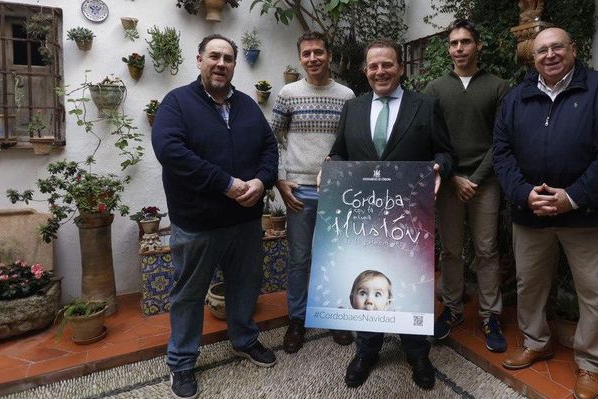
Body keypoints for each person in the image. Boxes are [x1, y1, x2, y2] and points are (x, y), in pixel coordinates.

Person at [492, 27, 598, 399]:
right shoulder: (515, 98)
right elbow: (502, 153)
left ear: (573, 50)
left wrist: (572, 197)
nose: (550, 55)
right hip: (532, 213)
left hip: (587, 214)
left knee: (596, 293)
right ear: (532, 58)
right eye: (542, 51)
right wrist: (524, 194)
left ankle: (590, 364)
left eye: (558, 48)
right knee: (531, 285)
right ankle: (537, 341)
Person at [152, 34, 279, 399]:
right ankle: (182, 362)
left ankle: (244, 339)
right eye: (214, 56)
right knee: (188, 295)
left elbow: (269, 147)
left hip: (245, 221)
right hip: (198, 224)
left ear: (234, 65)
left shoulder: (247, 106)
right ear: (199, 60)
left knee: (245, 286)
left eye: (228, 58)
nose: (221, 63)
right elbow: (170, 151)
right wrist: (224, 183)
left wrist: (261, 180)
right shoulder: (177, 103)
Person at [329, 39, 455, 391]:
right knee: (368, 282)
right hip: (364, 216)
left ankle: (418, 353)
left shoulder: (426, 106)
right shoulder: (352, 109)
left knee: (410, 283)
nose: (380, 71)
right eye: (373, 66)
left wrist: (438, 167)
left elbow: (446, 152)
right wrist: (331, 165)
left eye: (387, 65)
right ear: (365, 71)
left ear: (400, 68)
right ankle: (366, 350)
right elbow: (339, 153)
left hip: (410, 217)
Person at [423, 19, 509, 353]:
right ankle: (454, 310)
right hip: (448, 182)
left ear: (478, 45)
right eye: (454, 43)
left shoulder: (498, 86)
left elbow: (501, 140)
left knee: (486, 251)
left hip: (485, 183)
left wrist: (474, 179)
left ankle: (490, 316)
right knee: (452, 251)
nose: (459, 48)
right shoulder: (434, 89)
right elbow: (432, 138)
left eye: (466, 42)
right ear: (449, 49)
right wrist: (455, 176)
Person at [270, 31, 355, 354]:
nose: (313, 58)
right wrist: (280, 179)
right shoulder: (288, 94)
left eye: (318, 52)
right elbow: (273, 139)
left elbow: (349, 142)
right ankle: (297, 318)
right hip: (299, 190)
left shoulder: (346, 96)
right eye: (306, 54)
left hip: (335, 189)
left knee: (334, 256)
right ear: (300, 58)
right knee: (300, 259)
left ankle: (335, 315)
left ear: (329, 55)